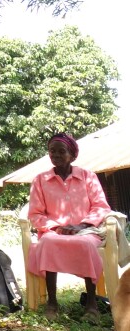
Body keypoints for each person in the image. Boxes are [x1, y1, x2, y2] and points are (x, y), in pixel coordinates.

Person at [27, 132, 112, 319]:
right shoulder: (40, 180)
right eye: (52, 151)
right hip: (53, 231)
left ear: (73, 155)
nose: (55, 155)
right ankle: (52, 303)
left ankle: (91, 305)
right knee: (48, 242)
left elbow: (100, 206)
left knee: (86, 244)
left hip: (86, 230)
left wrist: (82, 225)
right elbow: (35, 214)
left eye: (61, 151)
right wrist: (56, 227)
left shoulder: (88, 177)